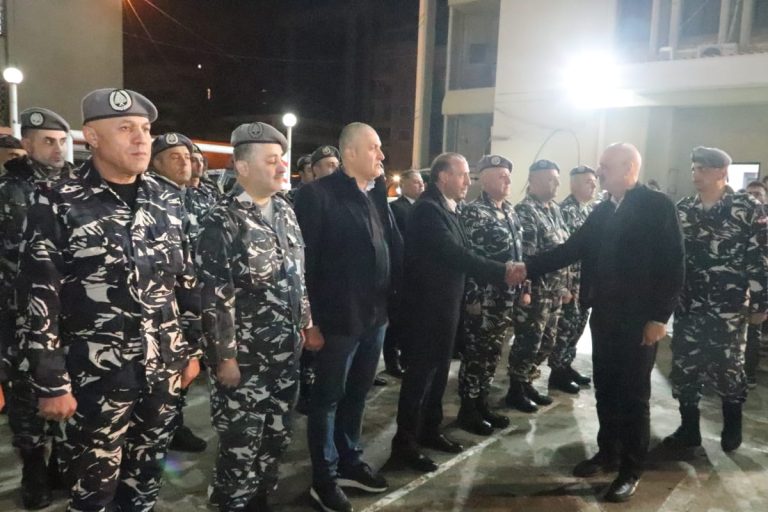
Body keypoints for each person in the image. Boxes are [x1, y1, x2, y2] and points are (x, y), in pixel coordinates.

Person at [15, 88, 201, 511]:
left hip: (160, 374)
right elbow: (40, 298)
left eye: (145, 129)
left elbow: (186, 282)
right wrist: (51, 383)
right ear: (93, 137)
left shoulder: (166, 199)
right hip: (93, 382)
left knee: (145, 484)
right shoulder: (57, 200)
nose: (141, 139)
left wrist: (191, 351)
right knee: (92, 493)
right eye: (125, 128)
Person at [523, 143, 685, 502]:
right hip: (606, 316)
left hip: (640, 320)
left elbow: (674, 266)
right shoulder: (605, 210)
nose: (599, 173)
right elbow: (572, 249)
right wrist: (526, 268)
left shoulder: (657, 206)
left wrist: (660, 317)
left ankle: (631, 468)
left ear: (628, 168)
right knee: (607, 388)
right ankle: (608, 451)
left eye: (605, 166)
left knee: (634, 396)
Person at [197, 122, 312, 512]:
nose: (282, 167)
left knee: (277, 437)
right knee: (240, 446)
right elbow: (215, 297)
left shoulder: (285, 211)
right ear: (243, 167)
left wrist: (306, 324)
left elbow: (298, 276)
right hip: (245, 362)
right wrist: (224, 358)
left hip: (285, 354)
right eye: (271, 160)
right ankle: (230, 503)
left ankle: (260, 499)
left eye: (282, 159)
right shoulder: (221, 220)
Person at [390, 152, 524, 473]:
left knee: (438, 376)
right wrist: (502, 270)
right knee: (419, 379)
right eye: (462, 174)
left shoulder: (449, 208)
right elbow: (456, 254)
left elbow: (463, 252)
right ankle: (405, 445)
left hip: (446, 307)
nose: (468, 181)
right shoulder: (427, 210)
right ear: (443, 177)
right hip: (425, 310)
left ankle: (429, 430)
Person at [294, 123, 402, 512]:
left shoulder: (375, 193)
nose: (382, 155)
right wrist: (310, 322)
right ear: (350, 153)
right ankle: (323, 479)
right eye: (375, 148)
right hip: (337, 319)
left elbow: (387, 246)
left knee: (357, 393)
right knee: (327, 400)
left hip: (374, 317)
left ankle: (348, 460)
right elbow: (304, 265)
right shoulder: (317, 196)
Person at [663, 147, 767, 453]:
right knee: (685, 367)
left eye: (703, 169)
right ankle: (689, 429)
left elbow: (760, 257)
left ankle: (732, 426)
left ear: (722, 172)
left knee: (729, 368)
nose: (696, 175)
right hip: (689, 304)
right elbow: (672, 258)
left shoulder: (748, 208)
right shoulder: (684, 208)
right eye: (694, 169)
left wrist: (761, 303)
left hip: (729, 307)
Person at [0, 107, 75, 510]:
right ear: (27, 144)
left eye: (62, 141)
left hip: (68, 313)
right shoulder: (6, 189)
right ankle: (33, 467)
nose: (58, 149)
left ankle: (62, 461)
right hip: (16, 313)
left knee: (69, 386)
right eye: (48, 141)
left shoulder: (79, 187)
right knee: (24, 395)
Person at [148, 132, 209, 454]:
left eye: (188, 157)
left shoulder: (194, 196)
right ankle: (169, 426)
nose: (185, 163)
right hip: (165, 304)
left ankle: (174, 423)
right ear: (156, 163)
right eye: (175, 157)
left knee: (185, 368)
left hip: (194, 297)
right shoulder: (152, 199)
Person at [456, 155, 524, 435]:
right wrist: (472, 299)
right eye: (500, 175)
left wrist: (523, 290)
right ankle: (468, 408)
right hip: (483, 299)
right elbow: (469, 259)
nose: (507, 180)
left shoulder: (509, 210)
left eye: (508, 175)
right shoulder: (473, 212)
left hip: (505, 298)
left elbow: (519, 254)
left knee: (493, 353)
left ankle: (482, 402)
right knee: (476, 354)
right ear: (484, 179)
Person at [505, 160, 570, 412]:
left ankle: (528, 381)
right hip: (536, 291)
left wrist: (565, 287)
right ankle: (516, 388)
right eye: (550, 180)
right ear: (533, 181)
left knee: (547, 341)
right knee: (528, 341)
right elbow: (526, 258)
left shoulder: (554, 209)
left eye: (557, 180)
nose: (556, 185)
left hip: (555, 290)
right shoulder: (526, 211)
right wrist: (526, 292)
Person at [548, 165, 598, 392]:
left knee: (577, 327)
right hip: (570, 283)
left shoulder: (588, 210)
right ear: (574, 184)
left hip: (584, 282)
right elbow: (563, 251)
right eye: (588, 182)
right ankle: (557, 372)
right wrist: (564, 287)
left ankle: (566, 365)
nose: (593, 186)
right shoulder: (566, 211)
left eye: (594, 181)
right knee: (564, 329)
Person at [383, 169, 425, 378]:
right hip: (402, 271)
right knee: (396, 320)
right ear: (404, 185)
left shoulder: (424, 207)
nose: (421, 186)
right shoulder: (396, 208)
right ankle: (392, 360)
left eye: (422, 182)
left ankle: (408, 356)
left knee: (412, 320)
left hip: (419, 272)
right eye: (416, 182)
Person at [744, 179, 768, 387]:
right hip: (740, 288)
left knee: (754, 332)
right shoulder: (738, 222)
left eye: (758, 194)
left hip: (761, 288)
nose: (754, 198)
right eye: (750, 194)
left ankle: (749, 374)